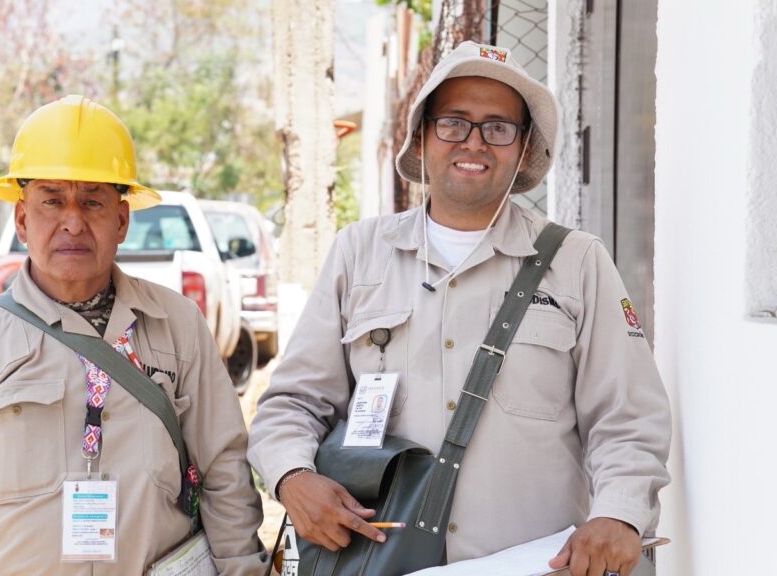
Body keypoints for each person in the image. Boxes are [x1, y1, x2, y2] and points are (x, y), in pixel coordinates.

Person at [248, 41, 670, 576]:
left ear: (523, 149)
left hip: (536, 565)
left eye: (498, 127)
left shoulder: (578, 261)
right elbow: (291, 403)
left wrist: (620, 514)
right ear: (422, 137)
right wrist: (292, 479)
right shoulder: (360, 252)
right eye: (454, 122)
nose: (475, 142)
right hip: (382, 562)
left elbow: (628, 417)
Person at [0, 95, 267, 575]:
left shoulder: (178, 325)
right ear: (23, 220)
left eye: (93, 201)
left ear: (122, 220)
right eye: (52, 200)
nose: (73, 221)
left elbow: (225, 476)